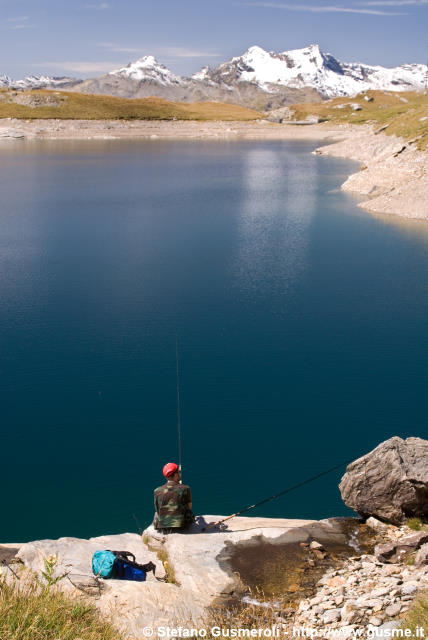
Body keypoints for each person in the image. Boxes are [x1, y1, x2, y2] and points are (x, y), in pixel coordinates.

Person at [153, 462, 195, 533]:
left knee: (156, 514)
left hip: (163, 526)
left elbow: (157, 509)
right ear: (175, 475)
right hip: (182, 525)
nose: (180, 473)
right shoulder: (185, 488)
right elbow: (189, 507)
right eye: (179, 472)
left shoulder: (157, 491)